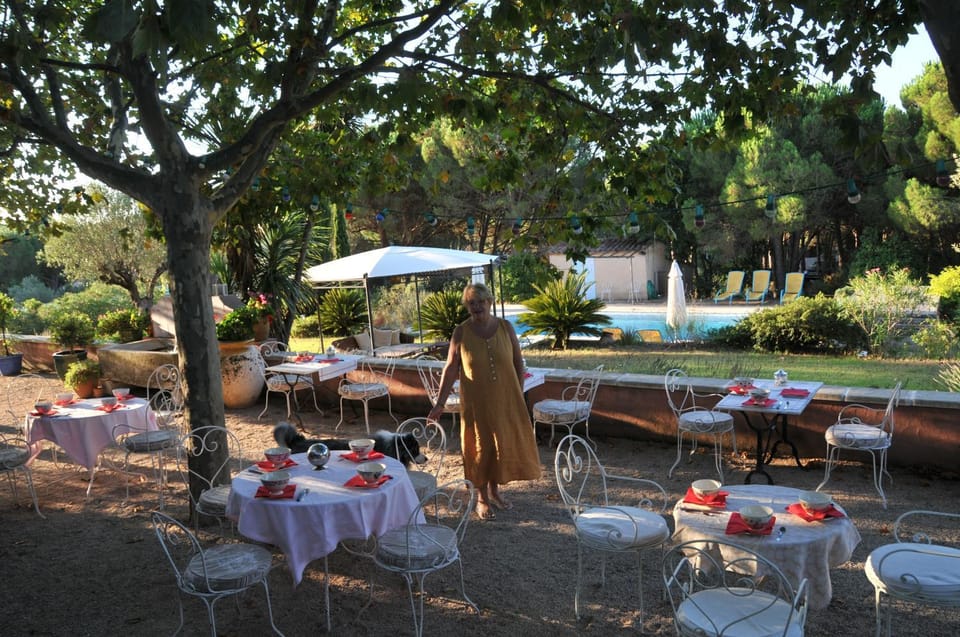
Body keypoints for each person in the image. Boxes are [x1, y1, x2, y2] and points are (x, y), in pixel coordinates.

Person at [428, 282, 540, 520]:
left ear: (490, 302)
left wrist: (517, 395)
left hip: (505, 401)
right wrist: (439, 403)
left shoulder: (505, 327)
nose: (476, 306)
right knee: (480, 447)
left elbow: (518, 363)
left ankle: (495, 491)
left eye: (480, 301)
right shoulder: (461, 332)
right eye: (471, 303)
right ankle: (481, 498)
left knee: (499, 447)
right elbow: (450, 369)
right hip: (476, 404)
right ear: (467, 306)